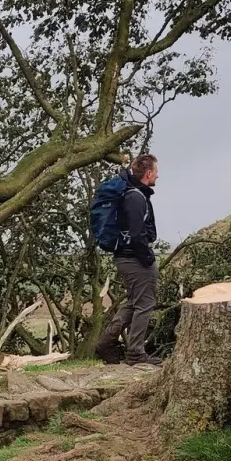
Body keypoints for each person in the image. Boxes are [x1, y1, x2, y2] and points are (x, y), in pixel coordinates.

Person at [93, 154, 163, 366]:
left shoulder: (131, 194)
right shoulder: (135, 197)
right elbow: (136, 233)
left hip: (125, 257)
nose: (158, 176)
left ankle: (106, 342)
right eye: (156, 172)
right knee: (146, 304)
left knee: (135, 302)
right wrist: (148, 258)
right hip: (134, 258)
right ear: (148, 173)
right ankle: (135, 353)